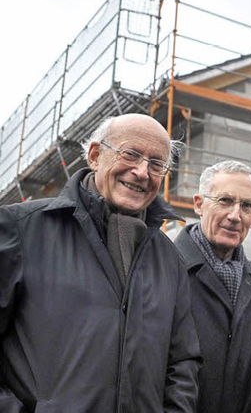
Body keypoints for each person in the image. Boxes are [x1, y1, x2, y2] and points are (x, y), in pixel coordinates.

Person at [0, 114, 200, 411]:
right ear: (95, 155)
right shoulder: (20, 229)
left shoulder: (169, 258)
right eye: (131, 154)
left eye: (156, 164)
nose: (142, 172)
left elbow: (183, 361)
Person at [174, 160, 251, 412]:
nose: (235, 215)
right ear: (199, 204)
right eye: (224, 200)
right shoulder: (163, 268)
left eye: (246, 206)